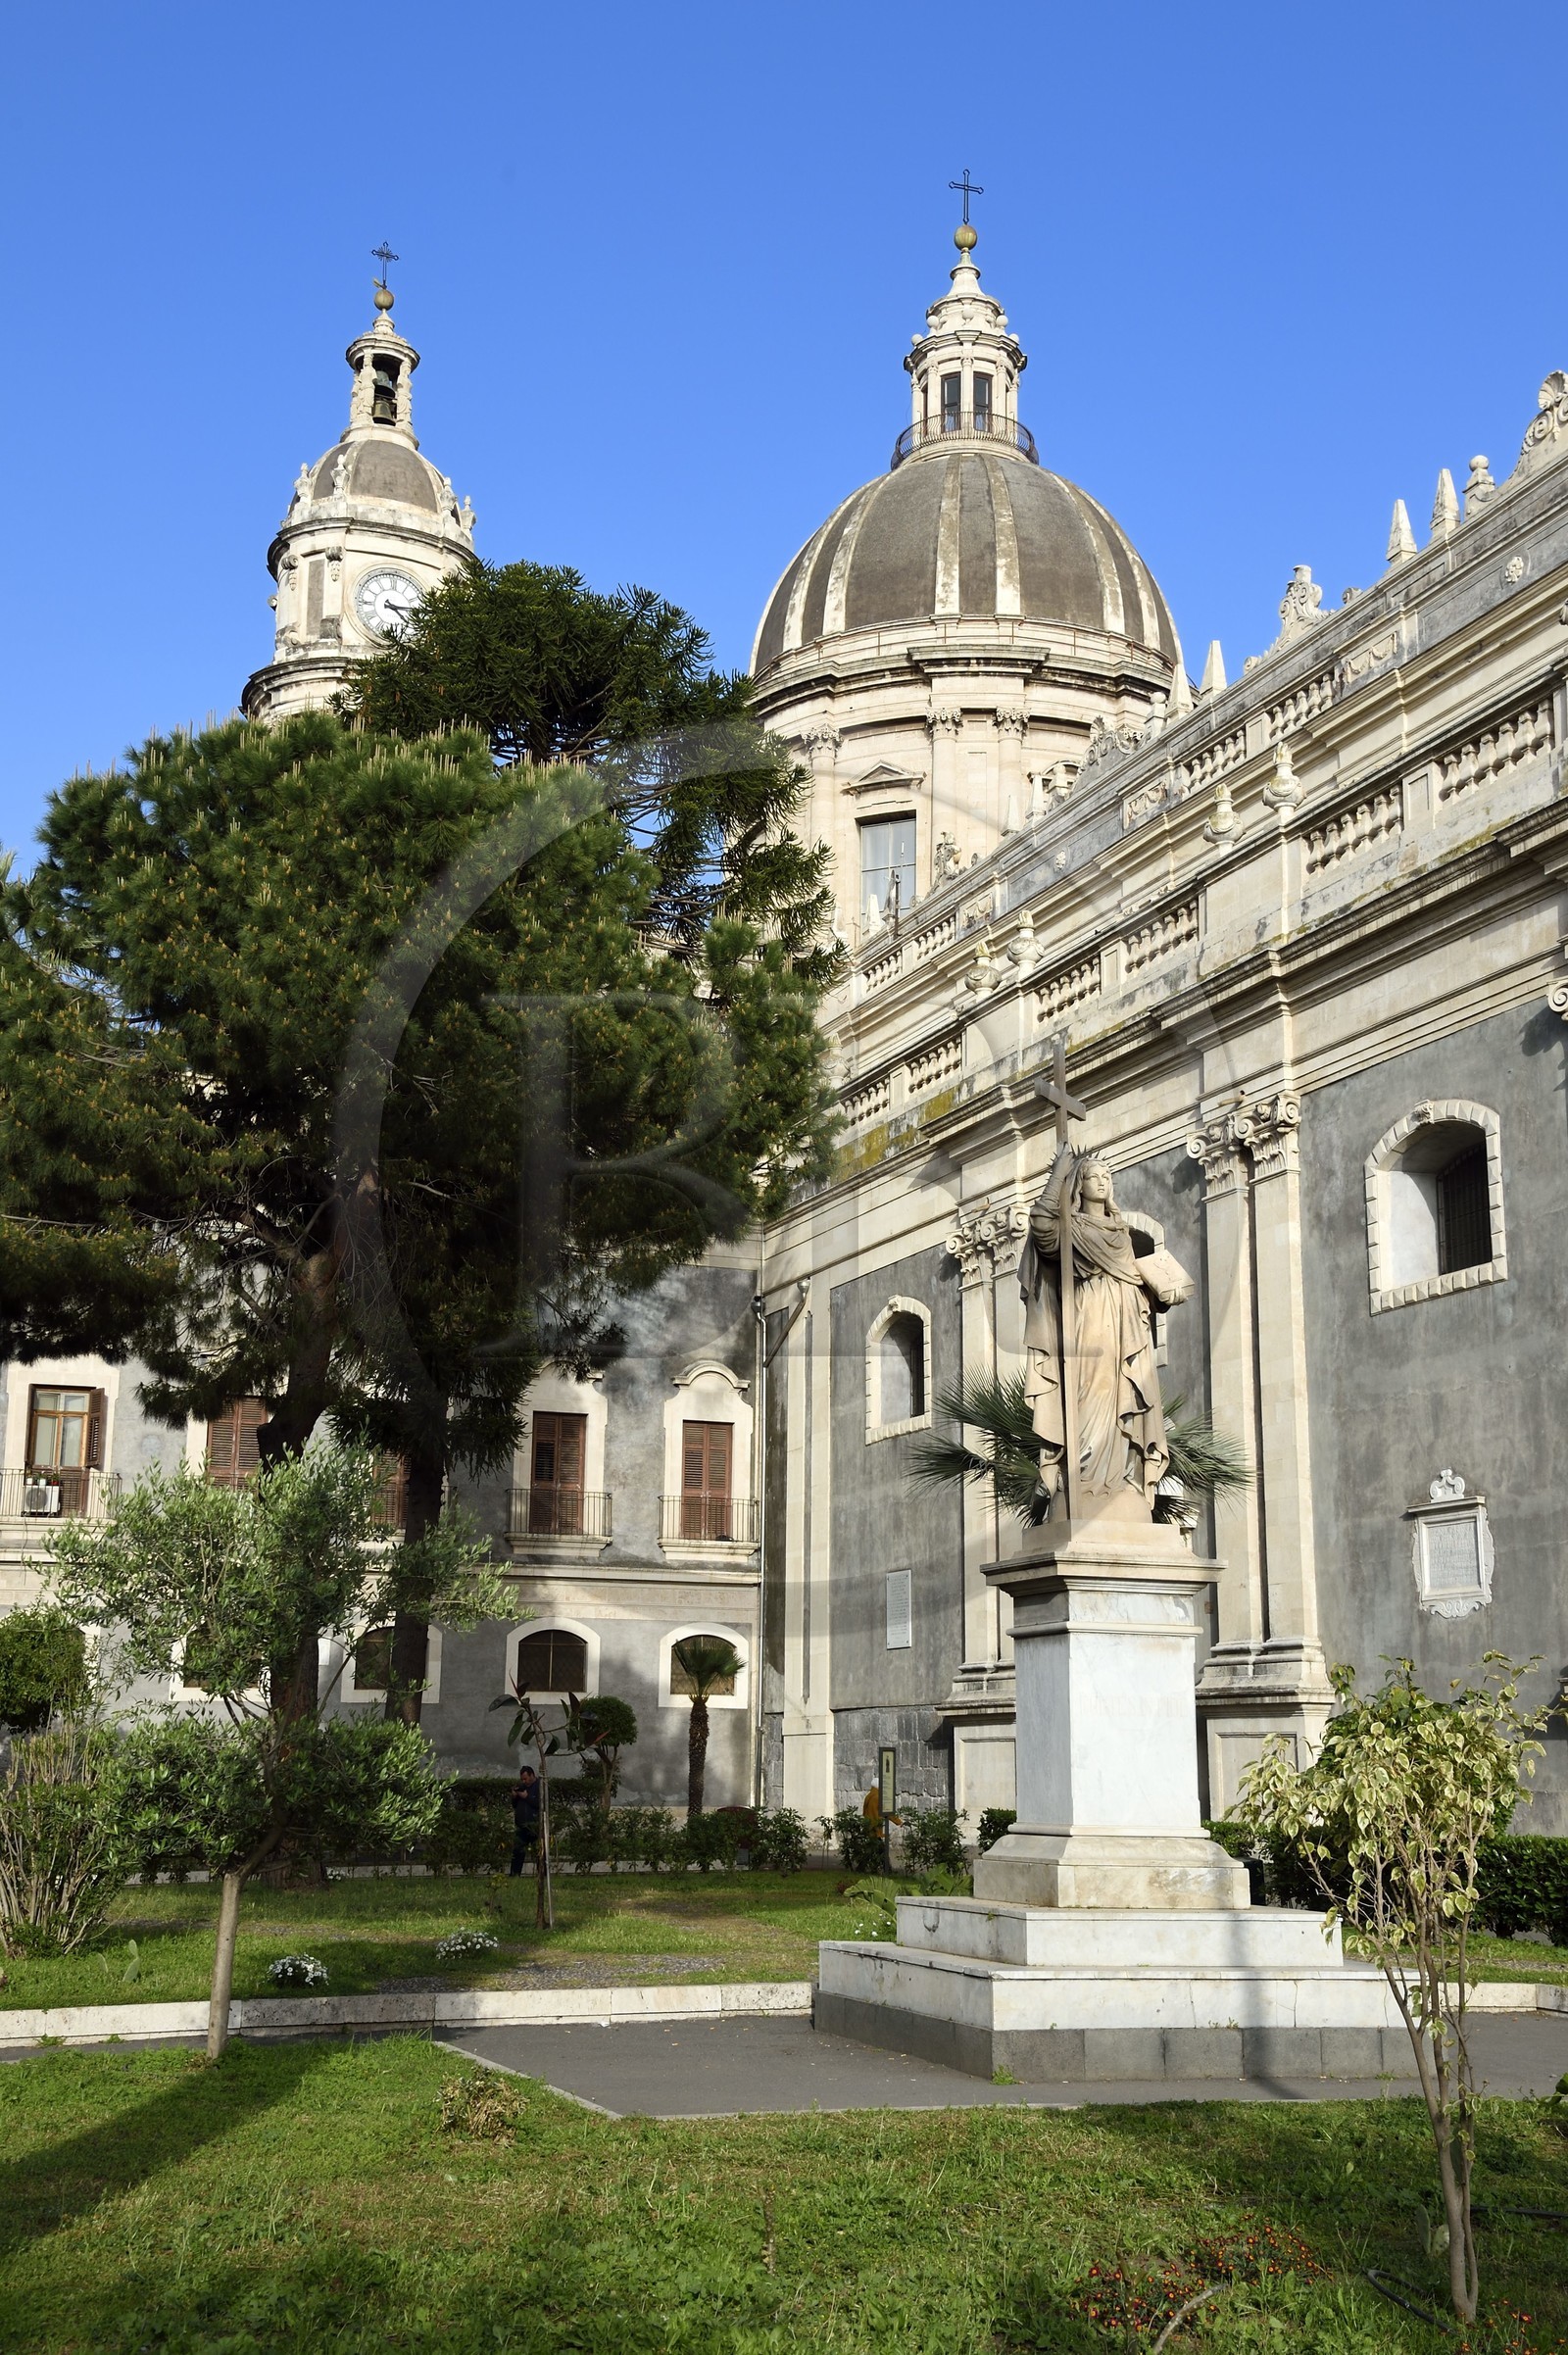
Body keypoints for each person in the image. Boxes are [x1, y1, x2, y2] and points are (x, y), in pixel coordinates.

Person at [509, 1767, 542, 1877]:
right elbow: (515, 1805)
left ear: (532, 1775)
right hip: (521, 1824)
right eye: (522, 1779)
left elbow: (540, 1804)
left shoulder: (539, 1786)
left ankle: (542, 1873)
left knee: (538, 1851)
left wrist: (527, 1797)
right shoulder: (521, 1786)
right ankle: (515, 1874)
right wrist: (514, 1796)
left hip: (535, 1824)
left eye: (526, 1779)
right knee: (518, 1850)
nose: (524, 1781)